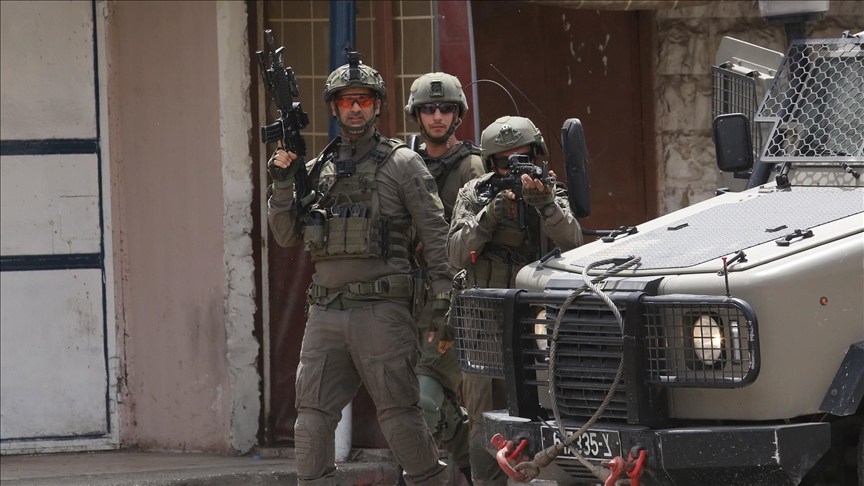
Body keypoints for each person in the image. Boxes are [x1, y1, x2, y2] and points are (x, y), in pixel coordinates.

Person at [267, 54, 452, 486]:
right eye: (346, 100)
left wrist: (445, 302)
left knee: (400, 417)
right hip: (326, 313)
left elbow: (436, 234)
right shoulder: (317, 169)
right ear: (334, 107)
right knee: (311, 420)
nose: (355, 108)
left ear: (377, 106)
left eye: (363, 100)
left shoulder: (402, 163)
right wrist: (282, 184)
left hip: (382, 312)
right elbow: (286, 235)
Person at [444, 115, 584, 485]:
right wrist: (488, 218)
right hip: (484, 326)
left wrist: (546, 206)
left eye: (523, 159)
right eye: (506, 162)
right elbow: (455, 254)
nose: (515, 169)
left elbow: (574, 242)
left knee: (543, 418)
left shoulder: (550, 189)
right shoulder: (475, 193)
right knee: (484, 424)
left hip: (537, 326)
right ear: (492, 164)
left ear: (537, 156)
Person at [404, 72, 487, 484]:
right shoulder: (404, 161)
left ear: (457, 115)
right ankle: (473, 466)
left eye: (446, 108)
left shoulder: (472, 166)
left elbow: (475, 236)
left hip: (455, 299)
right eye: (429, 109)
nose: (437, 116)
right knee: (409, 398)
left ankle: (456, 468)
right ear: (417, 115)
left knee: (424, 397)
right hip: (408, 297)